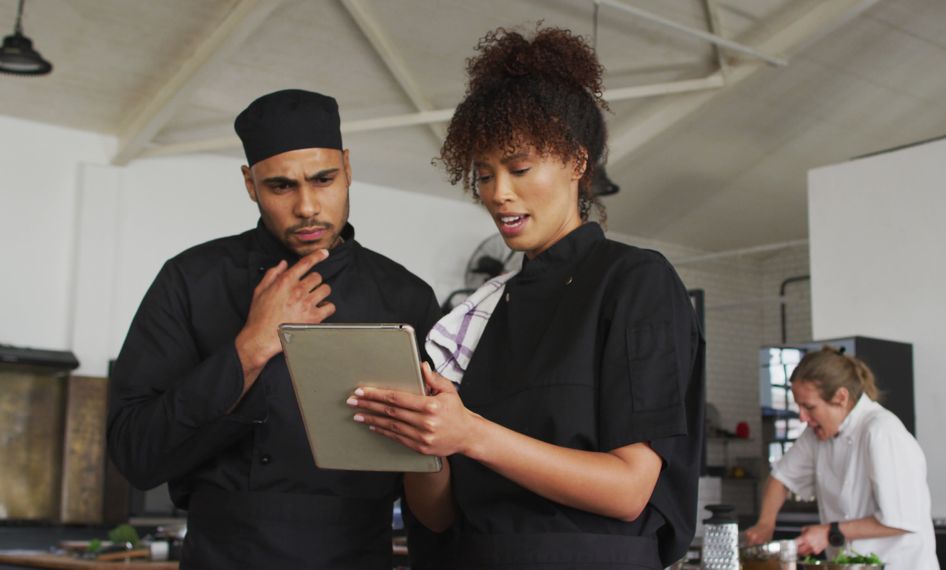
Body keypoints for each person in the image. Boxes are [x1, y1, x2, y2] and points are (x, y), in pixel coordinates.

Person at [347, 27, 705, 569]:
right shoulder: (475, 316)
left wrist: (472, 434)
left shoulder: (634, 282)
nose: (498, 193)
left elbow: (629, 489)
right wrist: (422, 440)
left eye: (519, 169)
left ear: (578, 163)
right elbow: (438, 516)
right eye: (484, 175)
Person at [106, 89, 447, 568]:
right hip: (224, 554)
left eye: (324, 179)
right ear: (250, 184)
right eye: (281, 186)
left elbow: (434, 469)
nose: (307, 206)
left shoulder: (406, 297)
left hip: (357, 554)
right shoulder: (191, 280)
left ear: (348, 167)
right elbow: (135, 455)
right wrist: (250, 347)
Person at [743, 347, 939, 569]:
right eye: (799, 406)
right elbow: (781, 478)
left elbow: (902, 520)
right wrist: (765, 524)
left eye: (809, 407)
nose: (802, 417)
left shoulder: (882, 432)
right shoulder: (816, 435)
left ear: (841, 397)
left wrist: (829, 532)